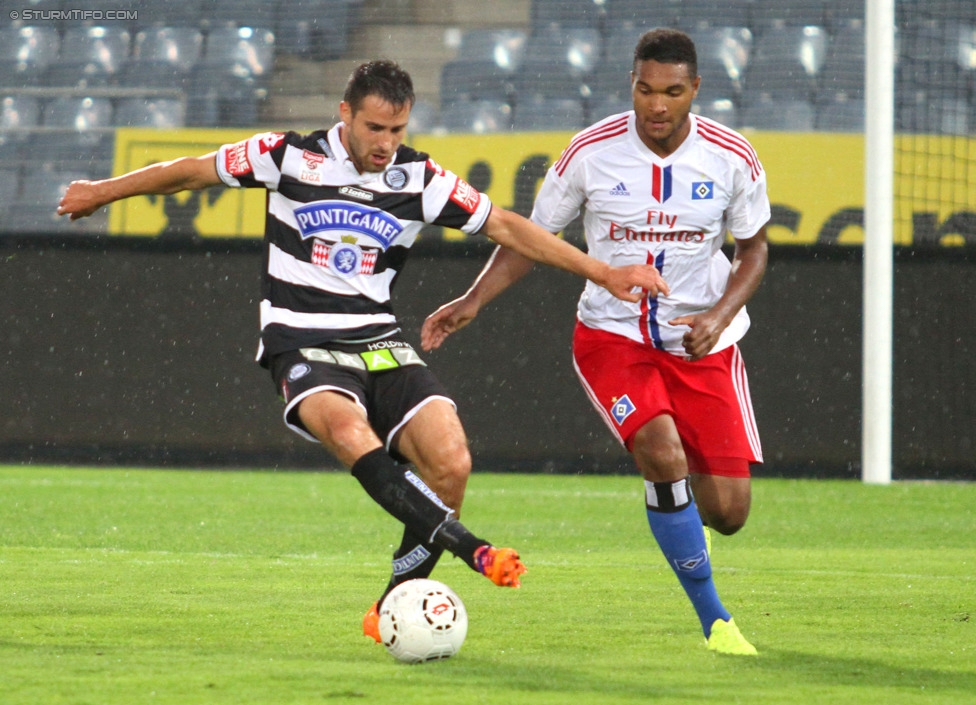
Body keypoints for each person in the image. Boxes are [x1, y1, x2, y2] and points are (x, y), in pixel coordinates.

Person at [57, 60, 667, 644]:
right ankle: (470, 550)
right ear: (344, 113)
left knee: (451, 461)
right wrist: (102, 191)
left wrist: (602, 271)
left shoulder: (419, 178)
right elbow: (191, 171)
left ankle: (393, 606)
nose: (385, 142)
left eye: (398, 129)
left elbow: (507, 226)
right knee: (351, 432)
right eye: (374, 127)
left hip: (379, 339)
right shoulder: (286, 155)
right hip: (300, 337)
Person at [422, 29, 769, 656]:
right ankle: (714, 619)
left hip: (703, 343)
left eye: (671, 91)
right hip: (613, 336)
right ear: (631, 84)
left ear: (696, 90)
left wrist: (718, 315)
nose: (656, 105)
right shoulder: (590, 152)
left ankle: (687, 522)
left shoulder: (731, 156)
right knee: (660, 452)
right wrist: (472, 300)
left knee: (730, 514)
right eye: (644, 89)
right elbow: (530, 235)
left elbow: (755, 249)